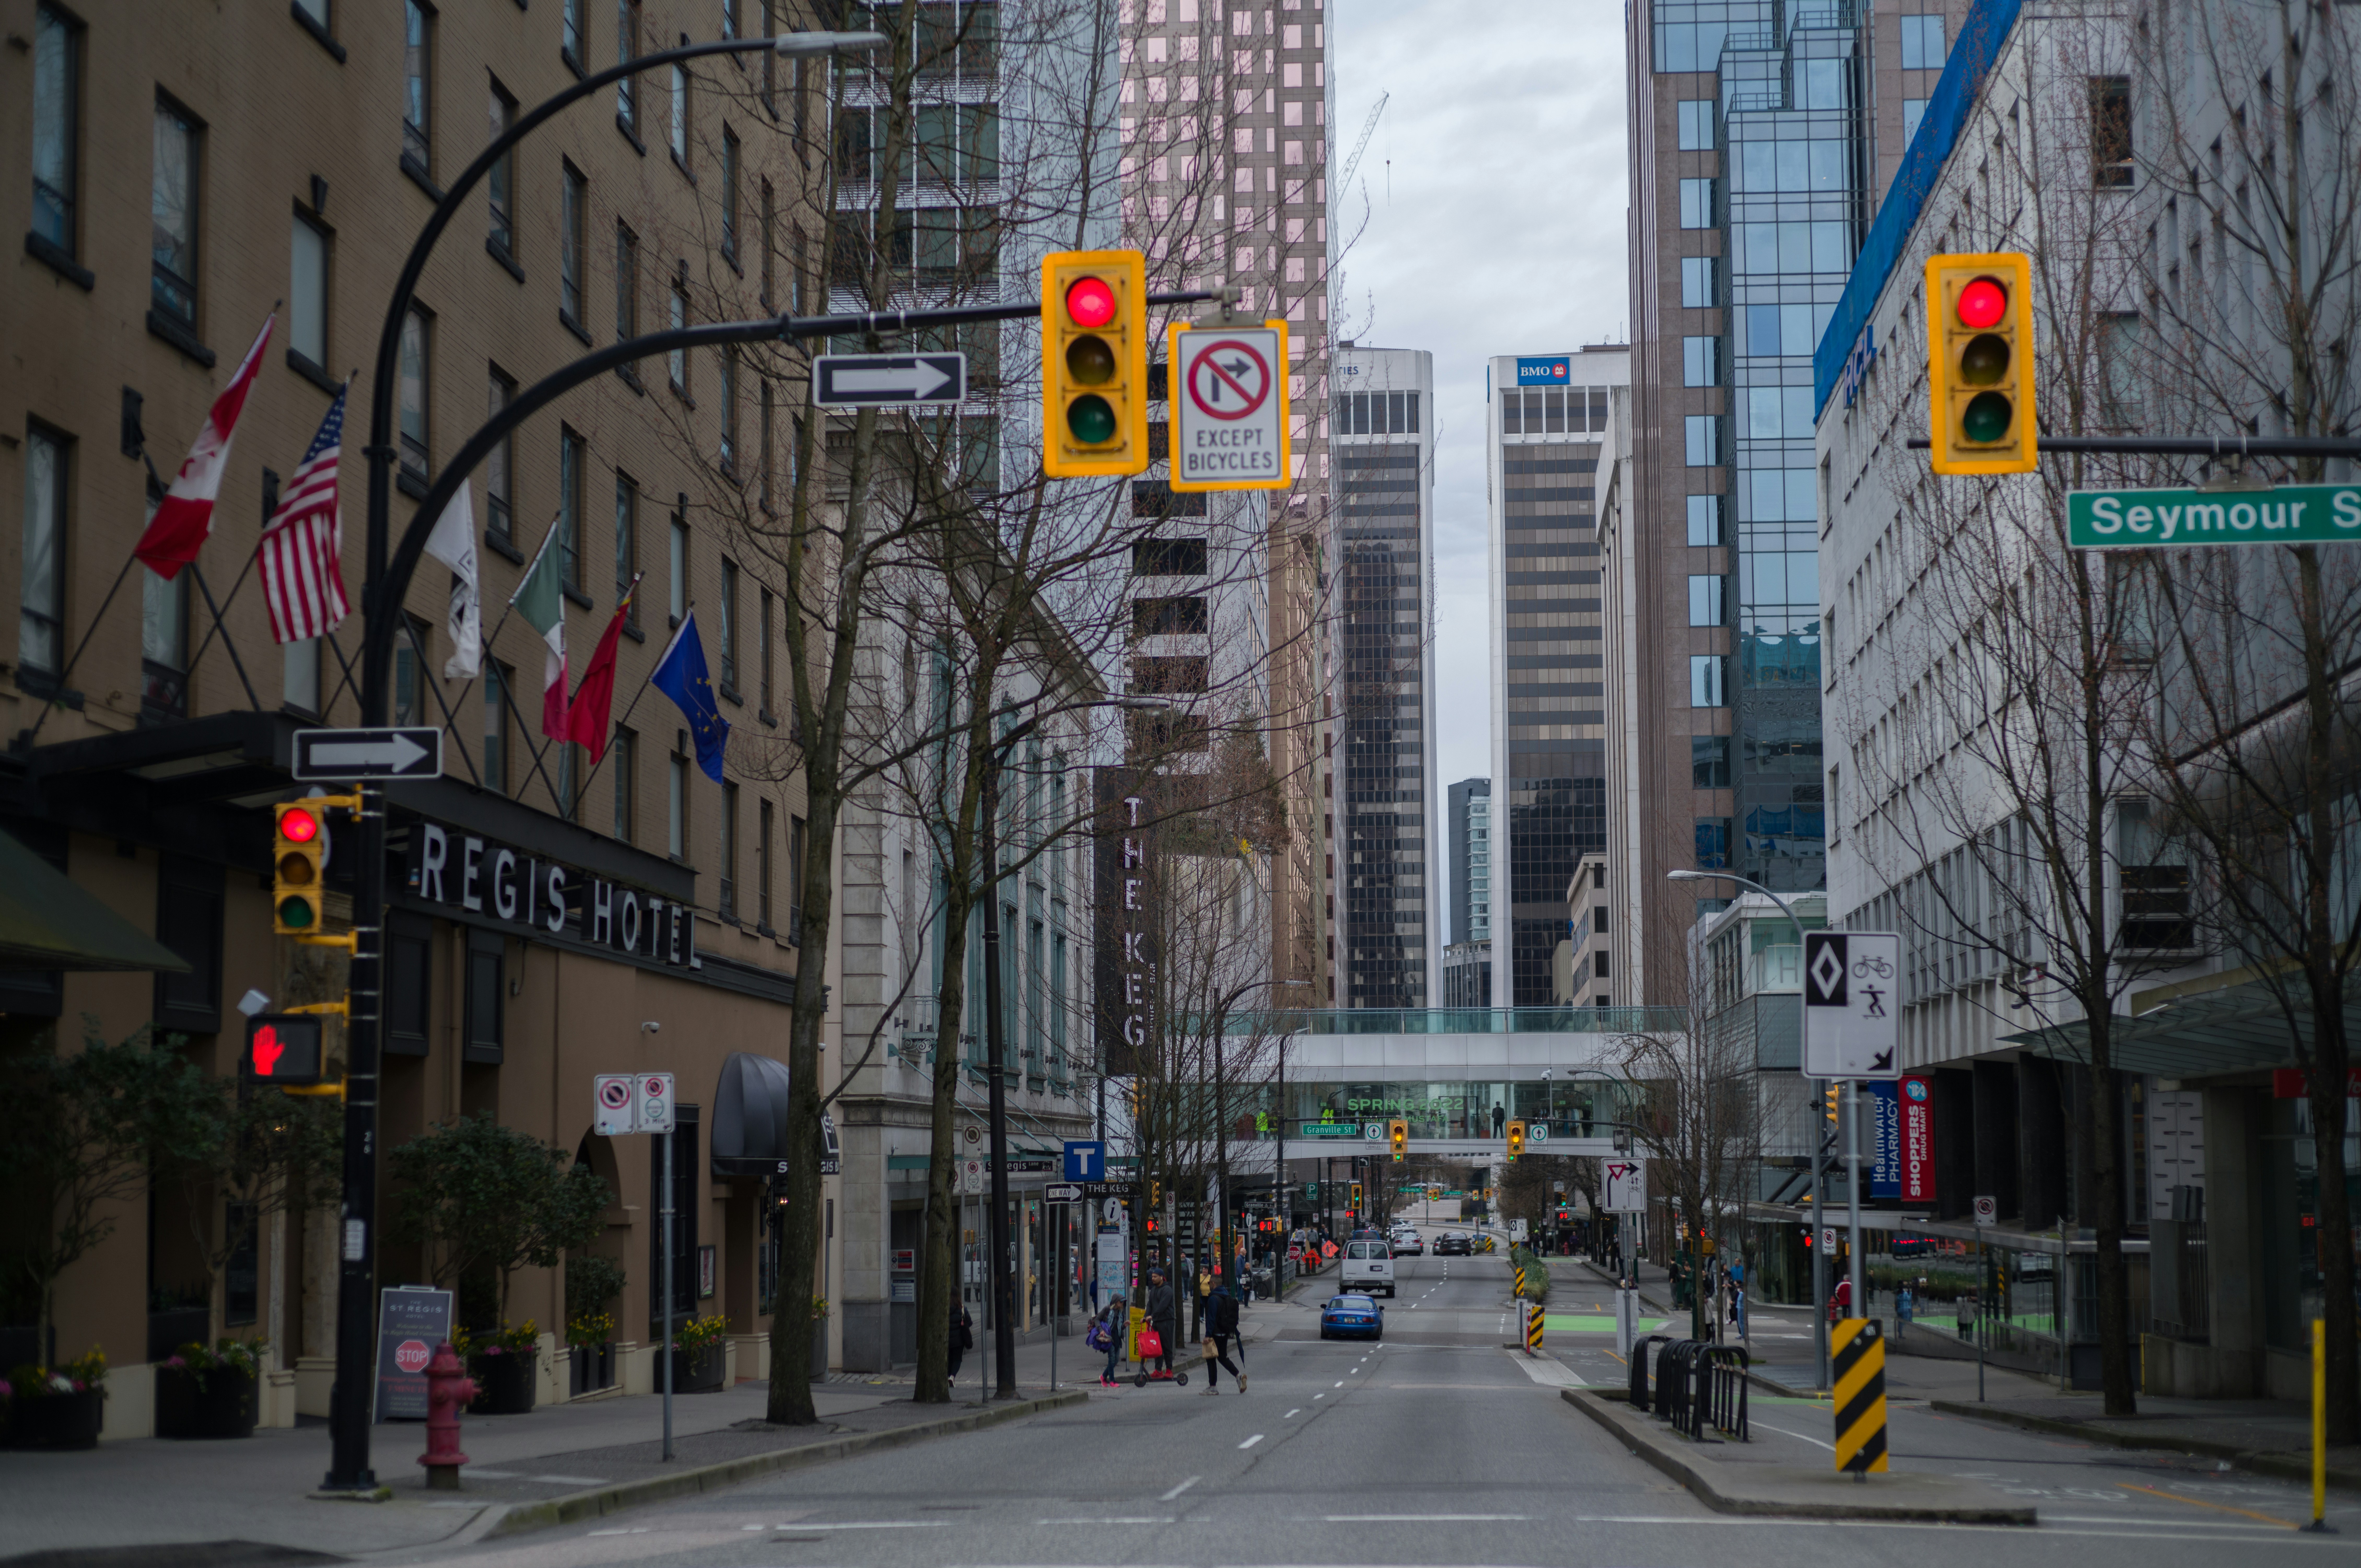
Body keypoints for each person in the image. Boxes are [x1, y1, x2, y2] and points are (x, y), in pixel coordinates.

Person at [1201, 1281, 1245, 1394]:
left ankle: (1213, 1388)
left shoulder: (1213, 1299)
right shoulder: (1227, 1296)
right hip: (1225, 1332)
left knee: (1211, 1359)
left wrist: (1208, 1335)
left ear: (1214, 1284)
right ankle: (1238, 1376)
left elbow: (1211, 1318)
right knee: (1222, 1357)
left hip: (1215, 1333)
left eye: (1210, 1283)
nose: (1209, 1285)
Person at [1146, 1268, 1177, 1375]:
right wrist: (1146, 1317)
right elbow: (1150, 1305)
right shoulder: (1153, 1290)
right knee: (1157, 1347)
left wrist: (1153, 1316)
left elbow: (1163, 1306)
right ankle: (1158, 1370)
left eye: (1155, 1277)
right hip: (1157, 1322)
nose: (1153, 1279)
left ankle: (1169, 1370)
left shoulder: (1167, 1290)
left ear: (1161, 1277)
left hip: (1167, 1321)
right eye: (1152, 1277)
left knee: (1167, 1346)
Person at [1095, 1299, 1126, 1386]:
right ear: (1116, 1302)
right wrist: (1101, 1330)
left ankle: (1104, 1376)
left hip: (1118, 1339)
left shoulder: (1121, 1312)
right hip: (1109, 1338)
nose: (1122, 1304)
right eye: (1121, 1302)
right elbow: (1097, 1319)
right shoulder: (1108, 1310)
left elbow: (1119, 1326)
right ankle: (1112, 1381)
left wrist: (1124, 1326)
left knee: (1116, 1360)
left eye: (1123, 1302)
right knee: (1112, 1359)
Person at [947, 1300, 974, 1386]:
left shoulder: (944, 1308)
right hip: (959, 1341)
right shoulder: (962, 1309)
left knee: (949, 1360)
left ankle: (949, 1377)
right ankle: (952, 1377)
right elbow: (970, 1323)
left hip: (947, 1340)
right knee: (957, 1360)